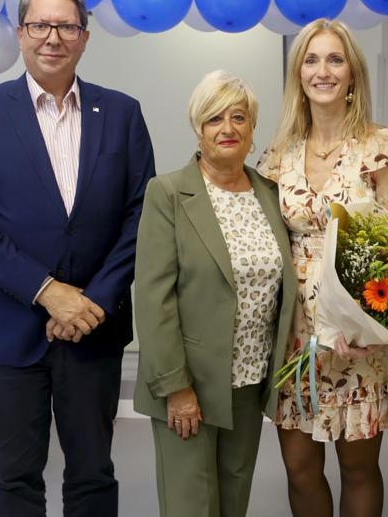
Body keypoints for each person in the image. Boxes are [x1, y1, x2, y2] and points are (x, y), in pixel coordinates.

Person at [0, 0, 155, 516]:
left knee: (92, 477)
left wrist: (90, 302)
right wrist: (47, 293)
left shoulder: (123, 113)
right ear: (20, 33)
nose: (52, 38)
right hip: (7, 331)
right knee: (14, 482)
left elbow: (141, 218)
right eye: (40, 25)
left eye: (66, 26)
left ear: (84, 38)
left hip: (93, 327)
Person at [258, 18, 388, 517]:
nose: (323, 71)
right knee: (299, 467)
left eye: (335, 59)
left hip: (357, 328)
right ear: (298, 73)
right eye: (311, 59)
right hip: (294, 333)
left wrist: (354, 319)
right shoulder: (278, 155)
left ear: (352, 74)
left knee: (358, 468)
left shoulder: (380, 145)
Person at [133, 71, 297, 517]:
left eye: (238, 117)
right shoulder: (167, 193)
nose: (227, 128)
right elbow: (153, 299)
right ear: (198, 129)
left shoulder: (269, 193)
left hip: (248, 381)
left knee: (232, 504)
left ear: (251, 127)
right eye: (214, 119)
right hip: (189, 384)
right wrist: (176, 388)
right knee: (191, 507)